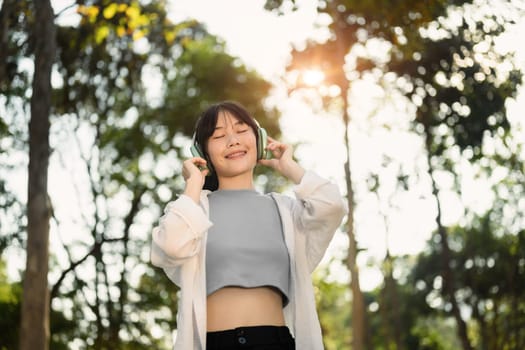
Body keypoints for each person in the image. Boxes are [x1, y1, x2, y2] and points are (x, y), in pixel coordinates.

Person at [150, 101, 347, 350]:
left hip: (276, 343)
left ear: (260, 140)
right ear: (203, 153)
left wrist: (289, 167)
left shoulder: (285, 210)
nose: (232, 140)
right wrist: (193, 184)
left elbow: (332, 206)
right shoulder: (194, 210)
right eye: (219, 135)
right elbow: (168, 246)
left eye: (242, 130)